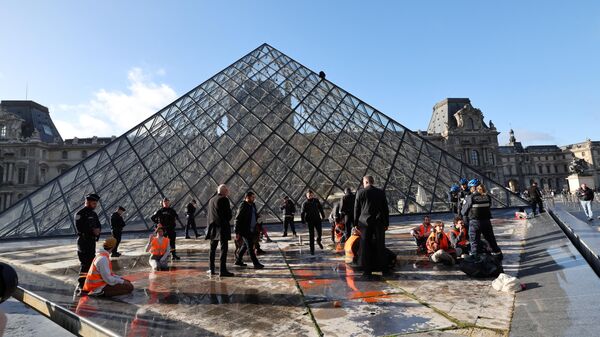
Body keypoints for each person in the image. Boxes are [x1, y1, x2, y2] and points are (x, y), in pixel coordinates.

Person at [354, 175, 390, 276]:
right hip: (379, 223)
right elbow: (385, 209)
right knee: (380, 246)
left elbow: (356, 209)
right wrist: (386, 223)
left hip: (364, 223)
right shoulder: (380, 192)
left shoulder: (360, 192)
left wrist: (355, 224)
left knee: (365, 246)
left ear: (365, 182)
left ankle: (367, 270)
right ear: (372, 182)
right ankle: (384, 269)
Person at [462, 179, 503, 261]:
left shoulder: (471, 197)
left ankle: (475, 258)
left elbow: (463, 211)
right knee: (491, 239)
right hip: (487, 221)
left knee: (474, 241)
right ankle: (498, 254)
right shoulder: (487, 197)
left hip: (475, 222)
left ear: (473, 188)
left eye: (470, 188)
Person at [206, 184, 234, 277]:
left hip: (213, 227)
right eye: (227, 190)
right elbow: (228, 215)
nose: (228, 192)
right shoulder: (224, 199)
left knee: (212, 249)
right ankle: (222, 270)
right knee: (223, 249)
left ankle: (211, 268)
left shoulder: (211, 200)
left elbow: (209, 215)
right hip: (222, 227)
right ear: (224, 191)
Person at [75, 193, 102, 291]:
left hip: (91, 241)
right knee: (85, 263)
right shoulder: (79, 214)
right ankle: (81, 284)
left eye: (96, 204)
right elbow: (80, 228)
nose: (95, 206)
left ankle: (89, 282)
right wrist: (92, 231)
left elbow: (98, 224)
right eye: (94, 203)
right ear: (88, 202)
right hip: (83, 241)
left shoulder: (93, 214)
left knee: (91, 262)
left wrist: (98, 231)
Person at [234, 191, 265, 269]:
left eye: (254, 197)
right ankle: (256, 263)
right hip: (245, 230)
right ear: (247, 197)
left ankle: (238, 260)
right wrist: (237, 231)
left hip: (251, 229)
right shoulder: (243, 205)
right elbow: (237, 219)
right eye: (252, 197)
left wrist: (257, 216)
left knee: (245, 245)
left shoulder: (252, 205)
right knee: (250, 246)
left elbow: (253, 214)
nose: (254, 198)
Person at [301, 190, 325, 255]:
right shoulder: (304, 203)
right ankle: (312, 250)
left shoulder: (316, 201)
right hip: (310, 221)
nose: (310, 196)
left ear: (313, 194)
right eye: (309, 195)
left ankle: (318, 240)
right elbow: (302, 213)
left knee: (319, 233)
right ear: (306, 196)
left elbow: (320, 208)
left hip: (317, 219)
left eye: (311, 195)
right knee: (311, 235)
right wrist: (303, 221)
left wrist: (323, 216)